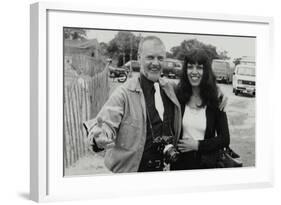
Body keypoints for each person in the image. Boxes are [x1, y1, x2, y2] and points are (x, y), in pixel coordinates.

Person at [84, 36, 182, 173]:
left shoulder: (169, 88)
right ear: (139, 57)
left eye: (160, 58)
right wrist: (99, 138)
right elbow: (106, 123)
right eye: (150, 57)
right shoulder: (123, 94)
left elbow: (196, 88)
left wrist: (217, 94)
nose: (155, 63)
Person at [171, 49, 230, 170]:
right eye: (190, 67)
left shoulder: (215, 99)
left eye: (199, 68)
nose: (194, 72)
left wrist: (198, 145)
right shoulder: (178, 96)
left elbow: (224, 139)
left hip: (205, 165)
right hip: (179, 165)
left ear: (206, 71)